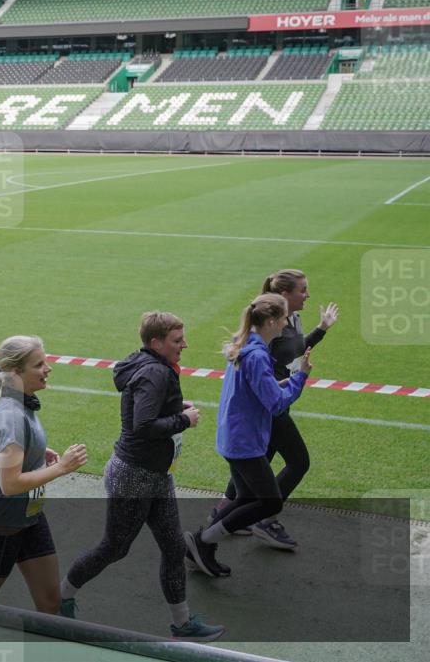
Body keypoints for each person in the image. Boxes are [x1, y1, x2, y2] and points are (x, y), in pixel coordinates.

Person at [60, 314, 224, 642]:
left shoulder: (146, 364)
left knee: (174, 546)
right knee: (114, 548)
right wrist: (182, 419)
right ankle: (61, 595)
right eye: (177, 340)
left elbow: (147, 412)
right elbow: (143, 425)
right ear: (156, 343)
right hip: (135, 476)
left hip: (155, 475)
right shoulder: (154, 372)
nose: (185, 345)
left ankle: (182, 623)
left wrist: (175, 407)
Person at [185, 294, 313, 578]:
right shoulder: (256, 355)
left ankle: (202, 543)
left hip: (235, 437)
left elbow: (258, 389)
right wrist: (301, 377)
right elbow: (277, 404)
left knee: (245, 497)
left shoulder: (244, 346)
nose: (285, 325)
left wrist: (286, 381)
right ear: (270, 321)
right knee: (270, 501)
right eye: (283, 319)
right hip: (245, 441)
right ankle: (202, 541)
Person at [209, 270, 337, 549]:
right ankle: (261, 520)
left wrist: (320, 330)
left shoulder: (271, 327)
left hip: (267, 399)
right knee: (297, 462)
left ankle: (218, 519)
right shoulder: (272, 334)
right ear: (284, 297)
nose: (308, 294)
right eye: (303, 289)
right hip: (271, 402)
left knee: (257, 464)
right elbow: (292, 354)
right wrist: (301, 373)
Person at [0, 336, 88, 615]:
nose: (48, 368)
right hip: (0, 524)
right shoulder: (12, 414)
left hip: (29, 517)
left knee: (50, 602)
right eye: (39, 364)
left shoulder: (19, 403)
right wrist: (61, 467)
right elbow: (9, 485)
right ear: (16, 372)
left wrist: (33, 449)